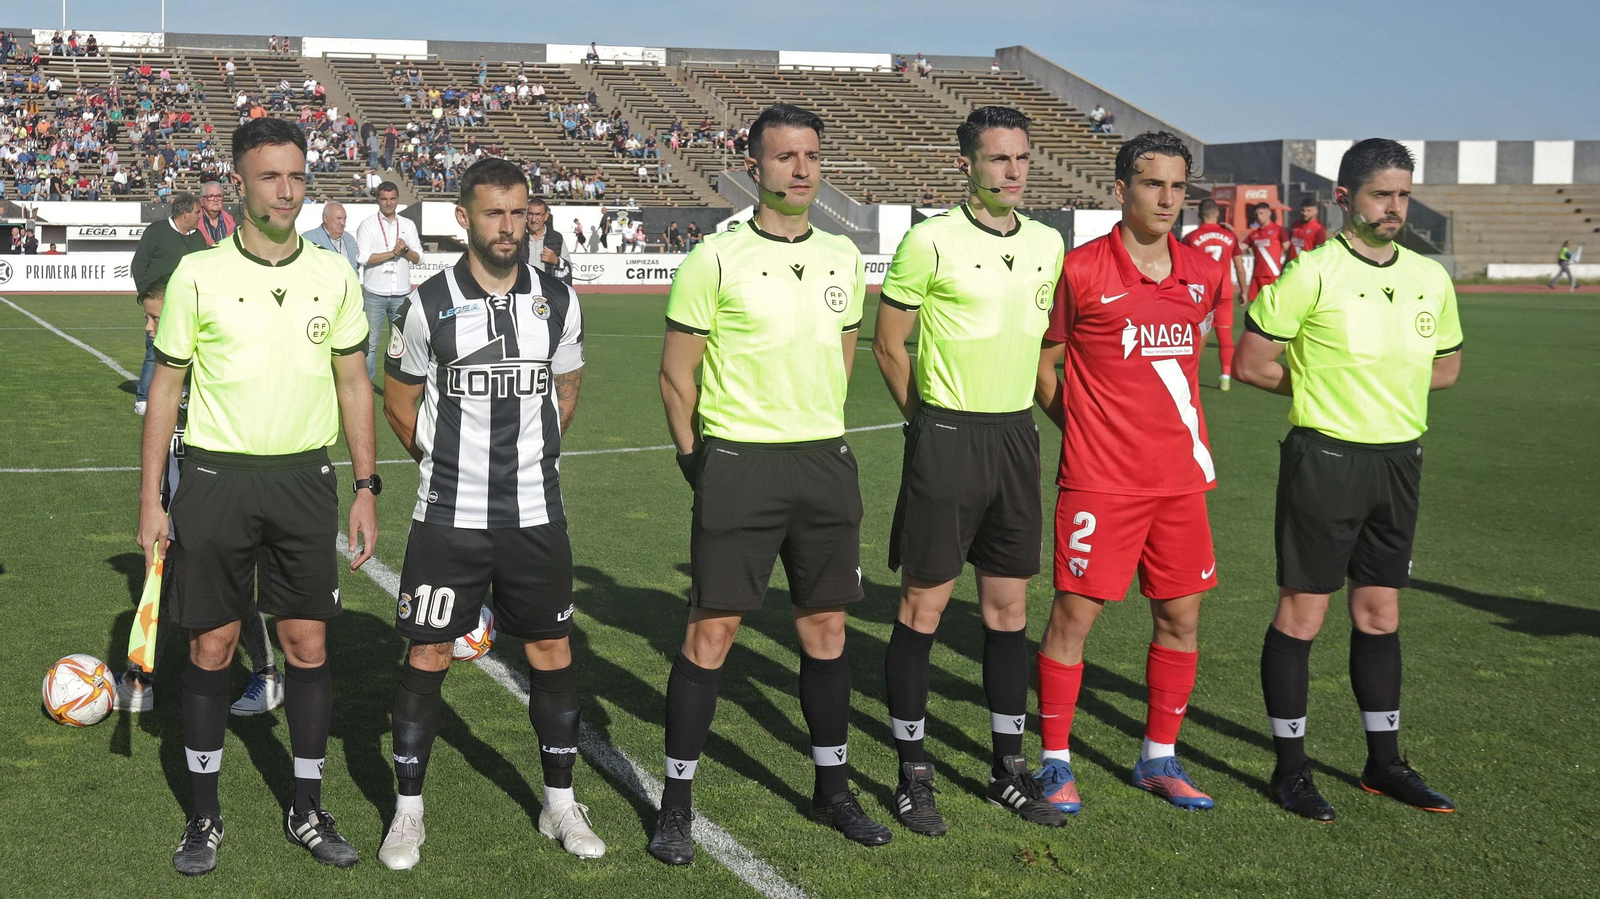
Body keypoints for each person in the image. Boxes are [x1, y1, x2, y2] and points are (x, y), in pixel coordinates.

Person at [137, 116, 378, 876]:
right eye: (270, 176)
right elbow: (167, 388)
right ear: (237, 184)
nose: (286, 190)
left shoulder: (334, 274)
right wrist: (152, 499)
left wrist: (366, 484)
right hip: (213, 479)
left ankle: (306, 805)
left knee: (308, 644)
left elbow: (352, 382)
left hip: (305, 479)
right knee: (211, 646)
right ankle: (204, 816)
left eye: (297, 176)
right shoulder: (199, 274)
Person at [649, 103, 887, 866]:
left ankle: (832, 788)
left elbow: (843, 355)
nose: (801, 168)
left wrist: (813, 427)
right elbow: (675, 378)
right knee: (711, 634)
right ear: (755, 167)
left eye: (811, 155)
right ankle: (676, 803)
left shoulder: (843, 258)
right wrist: (705, 464)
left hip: (822, 462)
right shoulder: (713, 259)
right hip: (739, 464)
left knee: (827, 632)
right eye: (785, 156)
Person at [378, 157, 601, 869]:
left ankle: (560, 801)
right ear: (463, 218)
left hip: (536, 514)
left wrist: (539, 459)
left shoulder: (560, 301)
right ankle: (407, 813)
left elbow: (567, 388)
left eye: (518, 212)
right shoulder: (428, 302)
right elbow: (399, 398)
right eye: (494, 213)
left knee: (551, 652)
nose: (509, 226)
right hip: (448, 516)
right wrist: (440, 467)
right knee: (427, 652)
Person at [1234, 138, 1464, 822]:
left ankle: (1384, 761)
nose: (1394, 207)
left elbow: (1446, 367)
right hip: (1326, 458)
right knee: (1305, 614)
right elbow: (1251, 362)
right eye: (1379, 194)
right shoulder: (1313, 273)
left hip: (1399, 460)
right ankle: (1292, 769)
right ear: (1344, 199)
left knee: (1381, 612)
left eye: (1402, 194)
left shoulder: (1430, 277)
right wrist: (1328, 391)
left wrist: (1375, 386)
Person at [873, 106, 1067, 835]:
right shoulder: (930, 241)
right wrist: (928, 422)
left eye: (1022, 158)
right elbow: (891, 346)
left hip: (1016, 437)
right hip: (949, 436)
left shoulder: (1049, 244)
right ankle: (914, 772)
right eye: (998, 160)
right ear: (967, 167)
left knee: (1008, 613)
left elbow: (1049, 352)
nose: (1014, 172)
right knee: (922, 608)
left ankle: (1007, 767)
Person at [1033, 132, 1226, 817]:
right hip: (1100, 482)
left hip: (1180, 483)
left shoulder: (1204, 272)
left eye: (1178, 187)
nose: (1168, 199)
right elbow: (1045, 366)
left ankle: (1158, 757)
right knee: (1074, 616)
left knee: (1180, 616)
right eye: (1153, 185)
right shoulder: (1082, 270)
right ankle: (1055, 762)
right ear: (1121, 190)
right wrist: (1087, 431)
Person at [113, 280, 285, 717]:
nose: (149, 329)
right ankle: (141, 677)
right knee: (166, 578)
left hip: (221, 500)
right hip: (178, 499)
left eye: (155, 317)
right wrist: (155, 499)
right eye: (147, 318)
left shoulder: (218, 364)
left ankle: (266, 675)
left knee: (227, 588)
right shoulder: (169, 371)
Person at [130, 193, 207, 416]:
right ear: (185, 214)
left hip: (190, 307)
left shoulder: (198, 237)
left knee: (189, 351)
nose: (200, 216)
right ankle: (144, 397)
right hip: (159, 306)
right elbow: (139, 264)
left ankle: (183, 392)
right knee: (154, 351)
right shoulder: (156, 231)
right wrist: (147, 297)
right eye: (197, 212)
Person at [355, 182, 422, 383]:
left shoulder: (408, 225)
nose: (388, 203)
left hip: (401, 294)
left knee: (400, 344)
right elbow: (363, 258)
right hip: (374, 293)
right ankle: (365, 387)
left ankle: (398, 386)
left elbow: (419, 258)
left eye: (392, 198)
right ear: (377, 200)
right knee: (371, 344)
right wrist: (392, 253)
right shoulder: (368, 225)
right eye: (384, 199)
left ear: (398, 199)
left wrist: (406, 251)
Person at [1182, 197, 1247, 390]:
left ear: (1199, 215)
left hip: (1199, 294)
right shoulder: (1230, 237)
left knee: (1194, 337)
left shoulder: (1191, 237)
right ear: (1217, 214)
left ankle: (1189, 376)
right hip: (1224, 291)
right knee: (1225, 336)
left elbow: (1183, 266)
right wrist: (1243, 289)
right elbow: (1240, 267)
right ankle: (1225, 377)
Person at [1245, 202, 1290, 303]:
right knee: (1255, 307)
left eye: (1261, 213)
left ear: (1269, 213)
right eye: (1256, 214)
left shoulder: (1279, 230)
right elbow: (1240, 247)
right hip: (1256, 276)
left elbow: (1288, 249)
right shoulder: (1254, 234)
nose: (1259, 217)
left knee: (1274, 305)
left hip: (1273, 275)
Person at [520, 197, 572, 283]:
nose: (533, 219)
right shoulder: (517, 237)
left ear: (546, 216)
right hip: (523, 289)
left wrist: (557, 261)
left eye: (538, 215)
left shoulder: (557, 238)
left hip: (548, 290)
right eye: (530, 214)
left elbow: (568, 267)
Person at [303, 202, 359, 270]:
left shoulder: (350, 239)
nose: (342, 223)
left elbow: (354, 268)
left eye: (344, 218)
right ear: (325, 218)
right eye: (339, 218)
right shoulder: (308, 239)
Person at [196, 180, 237, 246]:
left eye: (219, 196)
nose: (215, 200)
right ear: (201, 200)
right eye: (211, 196)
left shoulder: (231, 222)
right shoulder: (194, 222)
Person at [1289, 198, 1327, 263]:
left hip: (1306, 266)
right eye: (1303, 210)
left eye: (1308, 211)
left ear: (1315, 211)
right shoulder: (1295, 225)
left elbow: (1319, 252)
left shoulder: (1319, 229)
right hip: (1291, 265)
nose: (1305, 213)